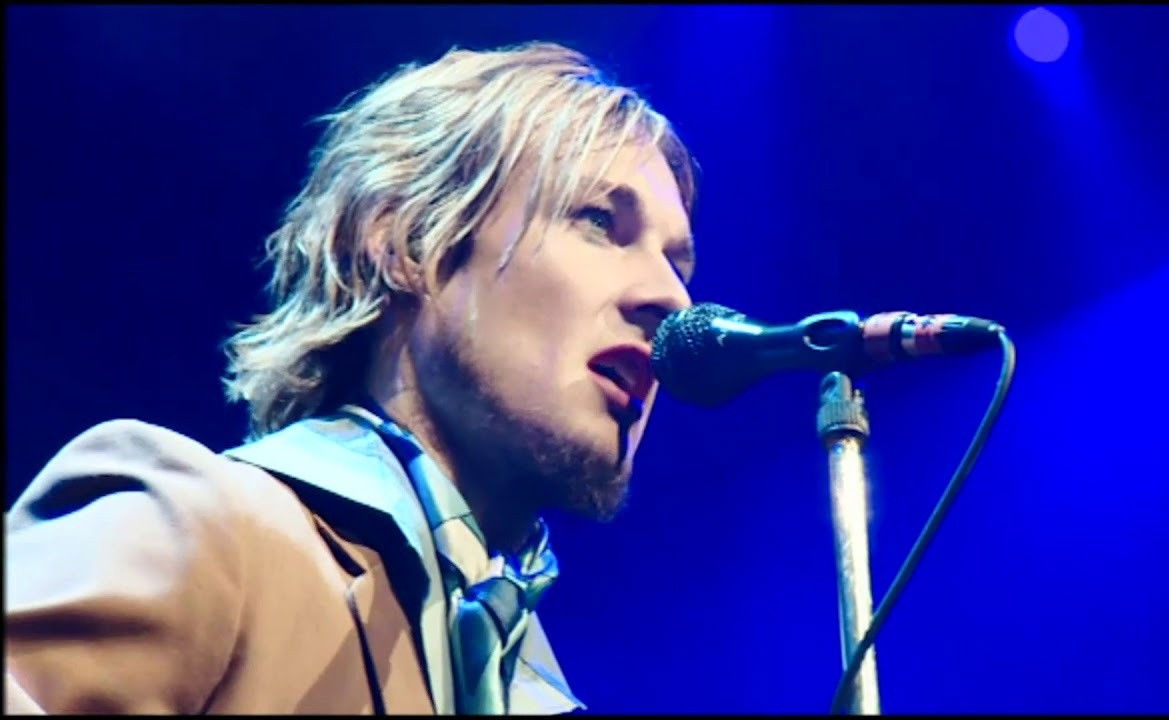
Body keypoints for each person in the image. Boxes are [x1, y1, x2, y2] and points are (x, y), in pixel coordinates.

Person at [4, 40, 697, 715]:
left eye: (677, 263)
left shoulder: (532, 688)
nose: (673, 299)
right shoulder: (197, 526)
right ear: (410, 243)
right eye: (600, 222)